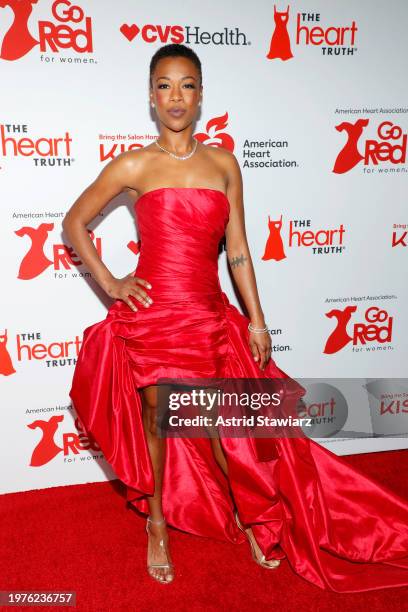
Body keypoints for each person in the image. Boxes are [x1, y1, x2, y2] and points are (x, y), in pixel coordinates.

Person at [64, 43, 408, 591]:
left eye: (187, 85)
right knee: (158, 417)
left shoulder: (224, 163)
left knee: (226, 429)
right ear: (151, 98)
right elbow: (74, 223)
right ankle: (156, 522)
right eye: (164, 85)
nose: (175, 96)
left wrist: (257, 319)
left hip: (205, 314)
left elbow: (240, 249)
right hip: (153, 316)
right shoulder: (133, 164)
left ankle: (251, 516)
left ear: (201, 96)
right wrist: (111, 284)